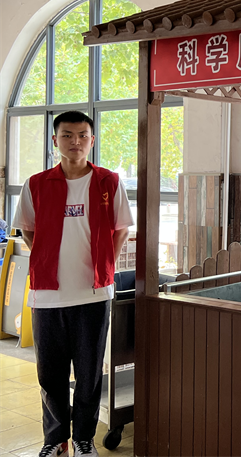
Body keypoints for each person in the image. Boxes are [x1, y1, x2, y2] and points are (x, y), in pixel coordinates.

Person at [12, 111, 134, 457]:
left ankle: (83, 439)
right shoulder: (36, 184)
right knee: (50, 375)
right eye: (67, 135)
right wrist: (47, 257)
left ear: (92, 140)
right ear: (55, 140)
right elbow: (27, 229)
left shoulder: (108, 182)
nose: (75, 142)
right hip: (47, 294)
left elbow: (122, 228)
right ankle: (55, 440)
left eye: (82, 135)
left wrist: (104, 263)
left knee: (89, 372)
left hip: (93, 293)